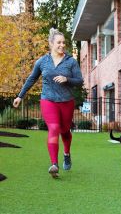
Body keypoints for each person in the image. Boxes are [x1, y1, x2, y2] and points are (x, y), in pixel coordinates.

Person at [13, 28, 83, 178]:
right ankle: (54, 164)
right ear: (51, 43)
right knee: (54, 128)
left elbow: (80, 81)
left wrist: (67, 79)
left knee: (65, 131)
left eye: (64, 42)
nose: (62, 45)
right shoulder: (42, 61)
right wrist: (20, 96)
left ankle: (66, 153)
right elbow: (32, 79)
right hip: (48, 100)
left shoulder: (71, 61)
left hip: (66, 101)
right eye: (59, 42)